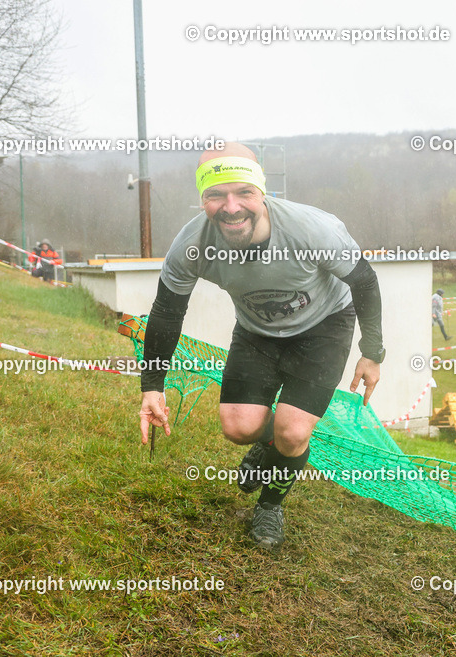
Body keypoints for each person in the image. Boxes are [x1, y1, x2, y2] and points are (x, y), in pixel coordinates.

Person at [137, 142, 385, 551]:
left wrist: (372, 352)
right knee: (238, 428)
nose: (231, 207)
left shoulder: (311, 229)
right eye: (216, 195)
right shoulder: (191, 245)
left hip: (324, 327)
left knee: (293, 431)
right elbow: (166, 312)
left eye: (244, 192)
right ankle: (269, 444)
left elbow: (364, 280)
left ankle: (270, 504)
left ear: (262, 192)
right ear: (202, 199)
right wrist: (152, 386)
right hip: (257, 331)